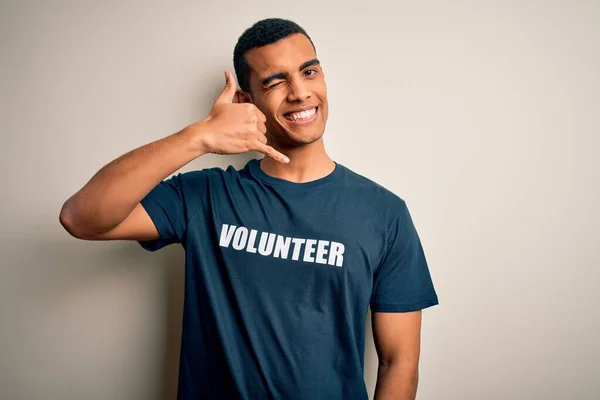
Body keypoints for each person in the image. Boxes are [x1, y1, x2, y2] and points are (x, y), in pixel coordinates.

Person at [59, 17, 438, 400]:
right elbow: (81, 217)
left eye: (309, 72)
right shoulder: (205, 196)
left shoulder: (384, 213)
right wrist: (199, 136)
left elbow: (399, 362)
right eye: (275, 82)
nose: (300, 92)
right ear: (246, 102)